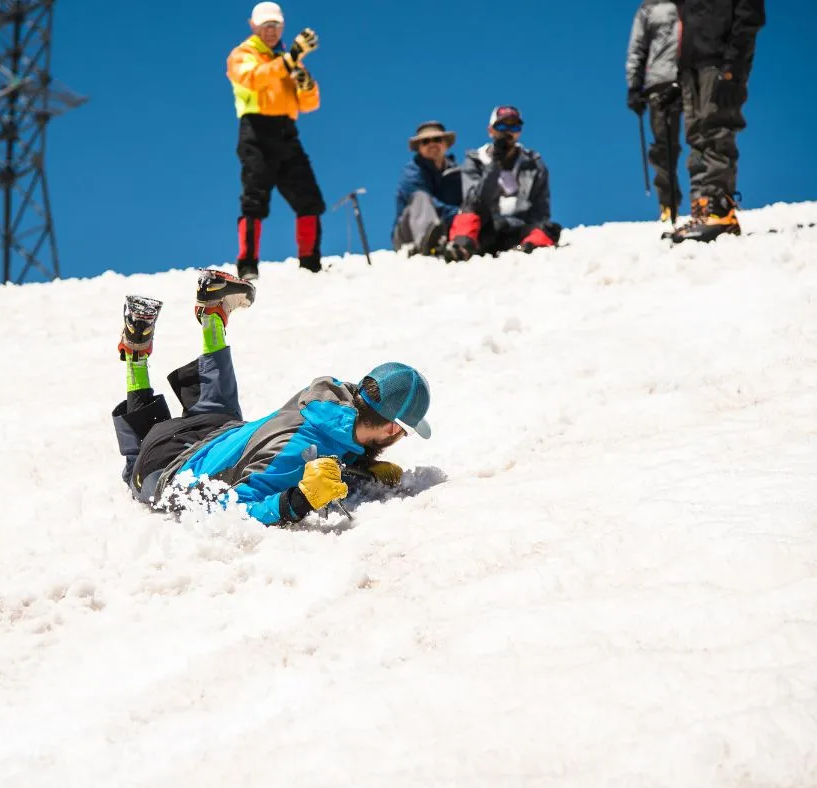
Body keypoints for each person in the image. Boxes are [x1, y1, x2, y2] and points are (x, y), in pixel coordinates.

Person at [112, 270, 432, 527]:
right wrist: (299, 499)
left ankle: (213, 315)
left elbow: (335, 440)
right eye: (405, 430)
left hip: (217, 434)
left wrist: (362, 468)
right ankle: (136, 357)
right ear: (391, 428)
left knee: (221, 410)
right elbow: (232, 509)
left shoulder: (332, 399)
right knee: (138, 462)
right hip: (166, 467)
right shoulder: (294, 450)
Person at [226, 2, 325, 280]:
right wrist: (290, 59)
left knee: (309, 198)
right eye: (265, 25)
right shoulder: (243, 54)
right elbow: (253, 79)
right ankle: (247, 265)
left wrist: (306, 84)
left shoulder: (287, 59)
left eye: (275, 25)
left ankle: (311, 264)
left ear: (282, 26)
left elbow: (309, 104)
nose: (271, 31)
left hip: (286, 132)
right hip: (256, 131)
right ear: (253, 26)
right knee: (254, 198)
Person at [670, 0, 766, 243]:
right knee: (696, 136)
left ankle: (720, 211)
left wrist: (733, 65)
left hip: (719, 59)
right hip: (690, 62)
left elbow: (749, 15)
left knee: (716, 129)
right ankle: (702, 209)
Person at [444, 106, 561, 262]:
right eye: (501, 126)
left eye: (514, 127)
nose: (508, 132)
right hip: (484, 229)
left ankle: (525, 249)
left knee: (550, 228)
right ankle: (461, 248)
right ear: (490, 130)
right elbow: (475, 200)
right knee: (470, 207)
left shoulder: (534, 165)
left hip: (517, 230)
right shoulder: (475, 160)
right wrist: (495, 165)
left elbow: (541, 211)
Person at [625, 0, 683, 222]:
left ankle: (708, 199)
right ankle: (668, 203)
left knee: (702, 136)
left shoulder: (695, 5)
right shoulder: (649, 9)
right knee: (664, 145)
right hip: (660, 81)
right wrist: (634, 85)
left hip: (692, 76)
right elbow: (637, 47)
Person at [392, 121, 463, 257]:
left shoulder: (458, 173)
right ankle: (428, 244)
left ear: (446, 144)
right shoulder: (411, 172)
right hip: (408, 235)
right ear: (419, 148)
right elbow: (432, 205)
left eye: (437, 139)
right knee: (421, 198)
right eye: (425, 141)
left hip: (448, 229)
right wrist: (459, 214)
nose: (432, 144)